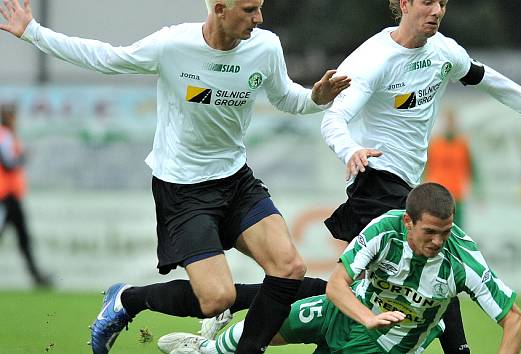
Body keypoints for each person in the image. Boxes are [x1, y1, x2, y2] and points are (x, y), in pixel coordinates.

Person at [0, 1, 351, 353]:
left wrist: (315, 98)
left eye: (259, 8)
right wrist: (34, 32)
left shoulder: (265, 46)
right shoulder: (173, 45)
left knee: (289, 268)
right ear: (219, 9)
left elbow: (287, 98)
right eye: (249, 9)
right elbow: (105, 58)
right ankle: (127, 300)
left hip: (235, 180)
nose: (258, 18)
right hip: (184, 189)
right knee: (216, 298)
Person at [319, 0, 521, 353]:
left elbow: (494, 82)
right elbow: (333, 118)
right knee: (438, 263)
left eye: (442, 3)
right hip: (374, 176)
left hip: (404, 184)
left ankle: (258, 298)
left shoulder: (444, 52)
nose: (436, 10)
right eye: (427, 2)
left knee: (358, 286)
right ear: (404, 4)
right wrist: (350, 150)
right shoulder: (372, 60)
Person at [156, 182, 521, 354]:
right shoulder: (385, 228)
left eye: (444, 232)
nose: (437, 241)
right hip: (344, 311)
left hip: (385, 345)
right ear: (409, 223)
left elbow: (515, 321)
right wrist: (367, 315)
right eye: (430, 232)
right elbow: (337, 284)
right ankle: (204, 350)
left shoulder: (462, 259)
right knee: (258, 328)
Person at [0, 103, 52, 288]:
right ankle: (37, 276)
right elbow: (8, 163)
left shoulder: (7, 135)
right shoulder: (4, 135)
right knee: (23, 238)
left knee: (23, 237)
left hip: (10, 196)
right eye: (12, 115)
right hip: (5, 196)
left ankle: (37, 276)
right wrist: (23, 156)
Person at [424, 108, 477, 227]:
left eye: (452, 122)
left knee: (457, 230)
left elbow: (472, 169)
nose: (450, 125)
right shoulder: (434, 144)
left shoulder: (462, 145)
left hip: (456, 195)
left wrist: (478, 191)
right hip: (437, 195)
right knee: (436, 228)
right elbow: (424, 168)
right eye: (447, 122)